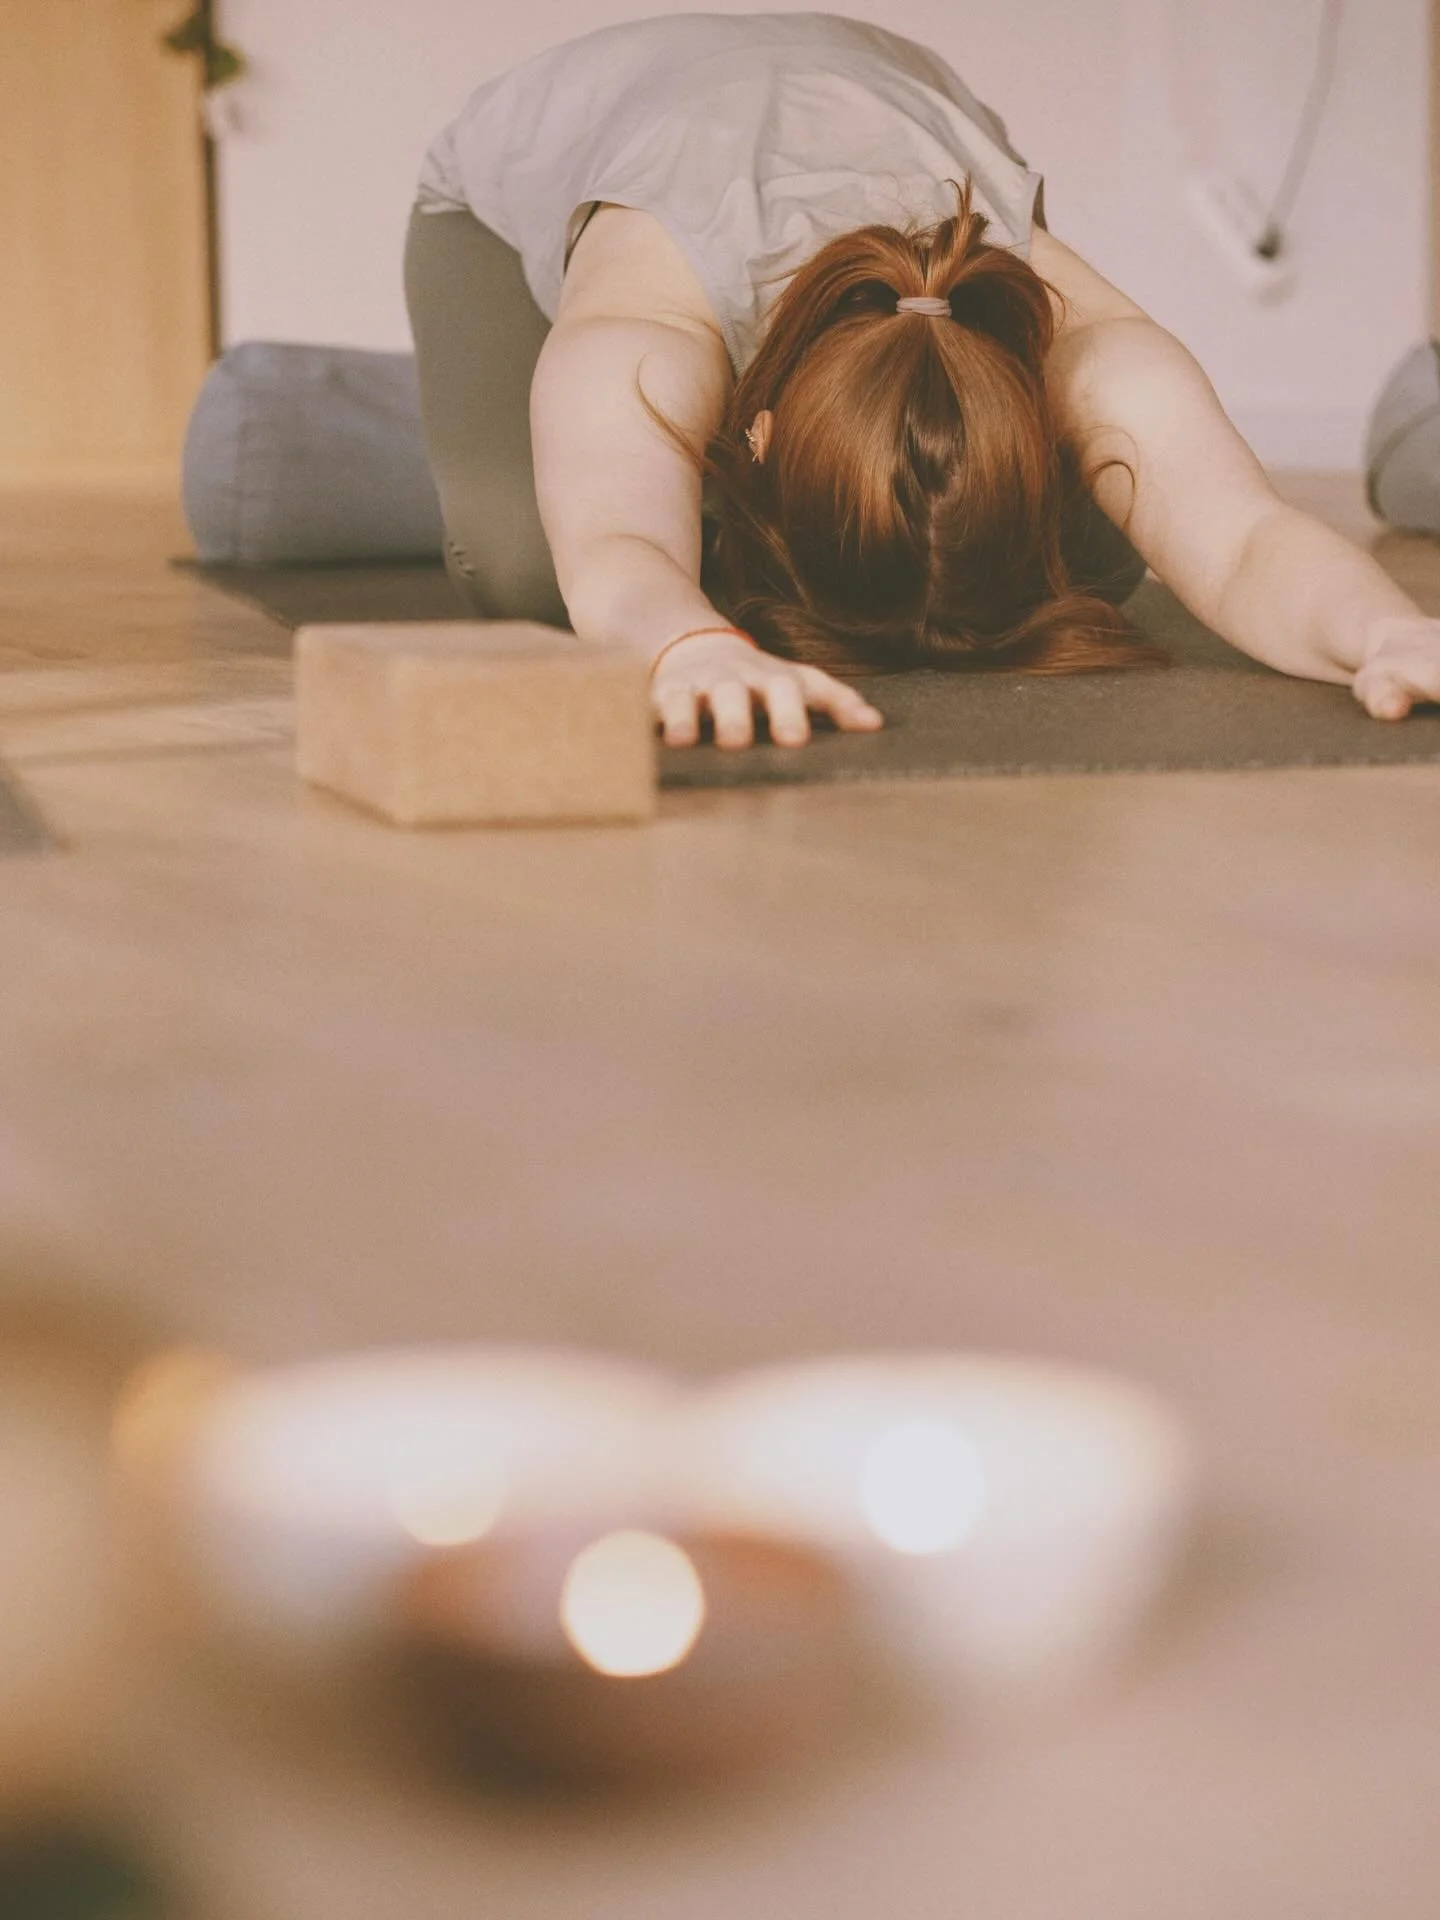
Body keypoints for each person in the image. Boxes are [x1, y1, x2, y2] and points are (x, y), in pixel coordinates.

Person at [406, 11, 1440, 751]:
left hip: (865, 87)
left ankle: (596, 452)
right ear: (753, 439)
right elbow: (616, 546)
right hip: (522, 198)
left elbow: (1244, 535)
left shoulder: (1092, 348)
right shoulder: (649, 325)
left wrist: (1385, 631)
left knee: (1118, 530)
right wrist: (687, 645)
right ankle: (479, 431)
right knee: (533, 566)